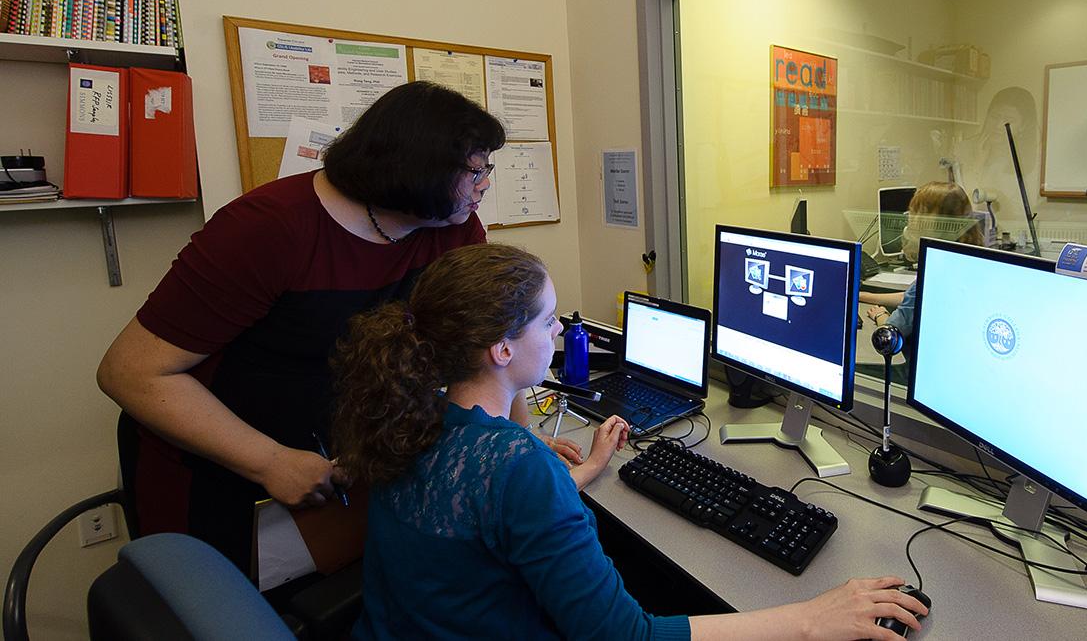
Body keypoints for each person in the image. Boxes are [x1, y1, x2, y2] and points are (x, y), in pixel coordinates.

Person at [96, 81, 582, 572]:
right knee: (219, 611)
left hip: (339, 460)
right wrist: (267, 460)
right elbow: (130, 372)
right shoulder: (266, 230)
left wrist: (521, 444)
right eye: (475, 171)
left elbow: (496, 336)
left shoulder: (452, 226)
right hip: (217, 465)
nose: (485, 185)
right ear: (418, 168)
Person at [331, 243, 929, 640]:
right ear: (502, 349)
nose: (563, 330)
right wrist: (813, 618)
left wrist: (580, 474)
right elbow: (628, 637)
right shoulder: (515, 466)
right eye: (549, 320)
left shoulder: (413, 415)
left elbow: (478, 520)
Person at [862, 182, 985, 337]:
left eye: (915, 213)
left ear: (940, 223)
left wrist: (880, 316)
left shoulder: (936, 273)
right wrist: (862, 296)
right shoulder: (962, 259)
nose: (910, 220)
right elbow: (910, 297)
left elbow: (891, 333)